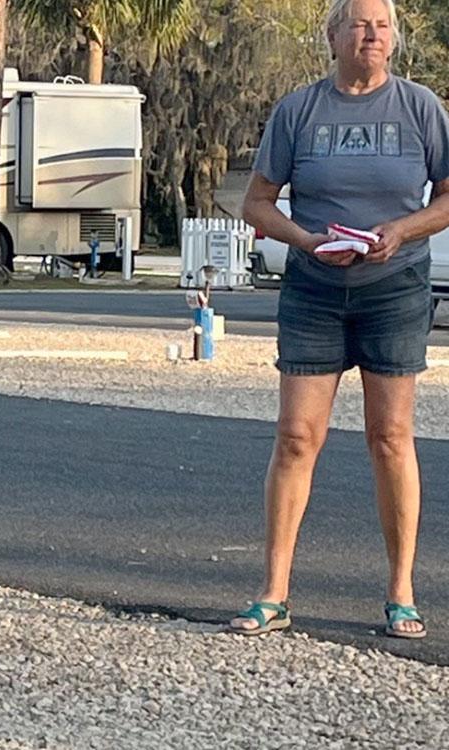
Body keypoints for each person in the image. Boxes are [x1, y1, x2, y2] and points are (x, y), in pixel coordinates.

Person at [229, 0, 449, 639]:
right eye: (359, 23)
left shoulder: (420, 108)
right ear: (332, 36)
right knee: (297, 437)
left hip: (395, 287)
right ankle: (273, 593)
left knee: (391, 437)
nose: (373, 34)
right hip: (315, 289)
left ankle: (401, 592)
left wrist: (400, 231)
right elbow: (257, 203)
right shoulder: (299, 111)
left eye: (383, 25)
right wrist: (305, 241)